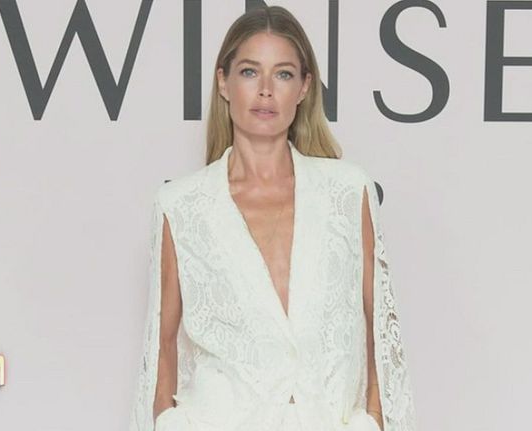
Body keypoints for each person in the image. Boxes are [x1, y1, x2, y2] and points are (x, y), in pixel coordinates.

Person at [129, 5, 416, 431]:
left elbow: (381, 328)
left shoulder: (347, 191)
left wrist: (372, 421)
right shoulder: (181, 205)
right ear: (223, 82)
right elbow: (161, 345)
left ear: (303, 88)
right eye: (249, 72)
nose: (265, 90)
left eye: (283, 74)